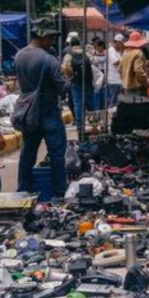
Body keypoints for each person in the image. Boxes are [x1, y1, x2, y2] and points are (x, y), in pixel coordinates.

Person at [14, 17, 70, 197]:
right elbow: (63, 88)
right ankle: (60, 193)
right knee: (57, 155)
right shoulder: (49, 59)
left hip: (29, 113)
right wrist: (71, 77)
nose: (52, 41)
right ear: (42, 36)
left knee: (27, 154)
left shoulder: (19, 56)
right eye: (51, 37)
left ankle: (22, 190)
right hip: (49, 113)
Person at [62, 36, 94, 132]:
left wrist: (69, 77)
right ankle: (94, 122)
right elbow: (94, 62)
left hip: (75, 82)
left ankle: (80, 125)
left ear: (71, 44)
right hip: (88, 81)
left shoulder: (69, 55)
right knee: (90, 101)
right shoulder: (86, 53)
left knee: (77, 103)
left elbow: (65, 68)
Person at [106, 34, 124, 107]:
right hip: (114, 80)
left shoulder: (119, 52)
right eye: (121, 43)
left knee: (119, 102)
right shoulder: (111, 51)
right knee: (113, 101)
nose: (122, 45)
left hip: (120, 80)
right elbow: (115, 62)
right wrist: (125, 58)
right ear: (116, 42)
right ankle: (111, 116)